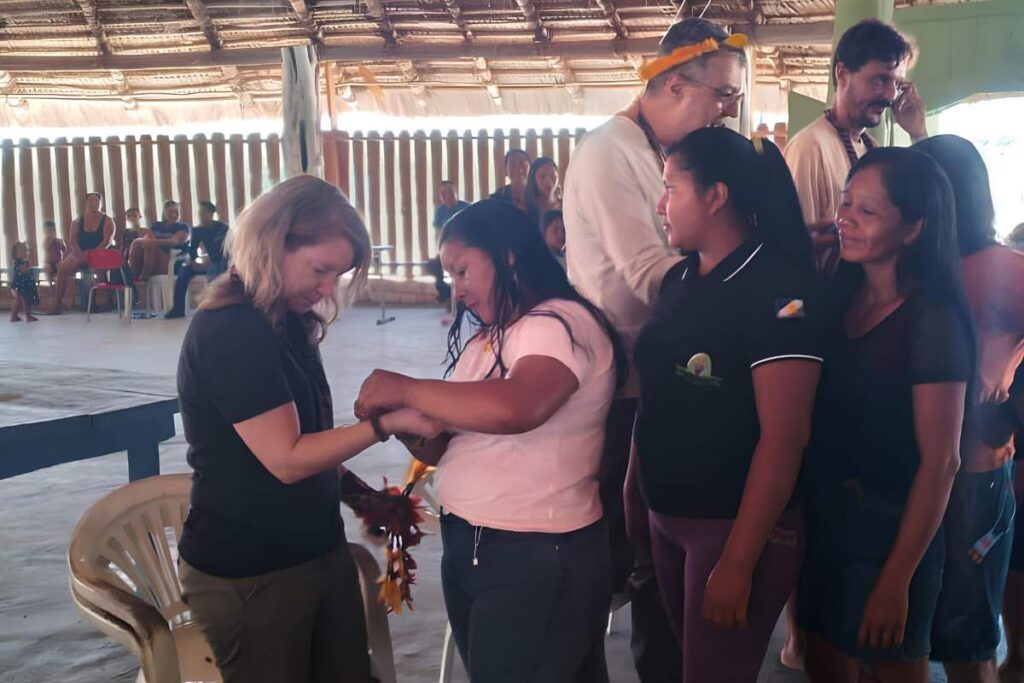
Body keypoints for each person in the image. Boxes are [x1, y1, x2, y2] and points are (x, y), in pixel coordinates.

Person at [176, 175, 440, 683]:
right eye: (319, 270)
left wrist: (367, 502)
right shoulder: (234, 331)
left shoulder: (283, 320)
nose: (325, 289)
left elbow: (314, 443)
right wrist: (385, 423)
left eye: (335, 276)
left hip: (314, 551)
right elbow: (288, 458)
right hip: (251, 570)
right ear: (273, 243)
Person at [353, 199, 627, 683]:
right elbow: (442, 447)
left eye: (463, 270)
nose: (457, 290)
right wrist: (401, 420)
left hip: (534, 555)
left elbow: (517, 407)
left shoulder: (557, 323)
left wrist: (408, 388)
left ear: (508, 256)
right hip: (480, 546)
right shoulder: (497, 335)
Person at [563, 16, 746, 683]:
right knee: (635, 560)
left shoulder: (663, 154)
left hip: (663, 372)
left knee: (655, 553)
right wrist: (744, 288)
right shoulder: (612, 150)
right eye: (721, 94)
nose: (729, 111)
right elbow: (648, 274)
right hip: (623, 384)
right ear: (672, 84)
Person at [632, 127, 820, 682]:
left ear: (716, 196)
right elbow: (659, 392)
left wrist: (739, 561)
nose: (660, 205)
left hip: (731, 526)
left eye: (671, 189)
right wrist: (633, 486)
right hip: (667, 515)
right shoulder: (683, 279)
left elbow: (786, 436)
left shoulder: (778, 293)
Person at [798, 148, 974, 683]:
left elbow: (941, 464)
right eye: (846, 203)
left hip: (893, 530)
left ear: (914, 228)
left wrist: (897, 578)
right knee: (822, 661)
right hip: (827, 519)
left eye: (868, 212)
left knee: (892, 667)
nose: (845, 218)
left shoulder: (932, 321)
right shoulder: (841, 297)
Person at [914, 135, 1024, 683]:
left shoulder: (1004, 265)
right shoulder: (907, 262)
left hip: (973, 476)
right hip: (902, 472)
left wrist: (1009, 359)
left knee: (968, 637)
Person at [785, 19, 927, 278]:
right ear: (842, 74)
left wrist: (918, 132)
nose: (889, 95)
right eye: (880, 80)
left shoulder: (872, 149)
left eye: (897, 84)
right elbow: (794, 250)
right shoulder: (810, 147)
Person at [48, 191, 115, 315]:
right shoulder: (77, 221)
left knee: (98, 269)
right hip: (80, 252)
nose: (94, 203)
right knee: (63, 267)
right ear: (86, 203)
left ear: (100, 203)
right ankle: (57, 304)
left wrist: (92, 255)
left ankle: (106, 302)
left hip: (100, 252)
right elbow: (72, 241)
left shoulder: (107, 220)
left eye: (97, 200)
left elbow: (107, 241)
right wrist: (80, 255)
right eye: (91, 200)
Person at [165, 200, 229, 319]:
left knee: (216, 269)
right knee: (184, 271)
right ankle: (178, 308)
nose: (201, 215)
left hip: (220, 262)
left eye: (204, 212)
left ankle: (216, 309)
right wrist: (195, 261)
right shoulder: (198, 230)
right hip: (205, 263)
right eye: (199, 212)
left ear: (211, 214)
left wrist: (210, 260)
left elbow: (227, 249)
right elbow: (193, 248)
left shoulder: (223, 228)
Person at [425, 180, 470, 306]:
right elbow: (439, 233)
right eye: (442, 194)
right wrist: (440, 250)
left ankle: (460, 298)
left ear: (456, 192)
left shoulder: (466, 208)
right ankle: (446, 295)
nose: (447, 196)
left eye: (449, 192)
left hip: (464, 248)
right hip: (447, 250)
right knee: (432, 265)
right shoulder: (440, 211)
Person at [129, 199, 189, 282]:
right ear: (164, 213)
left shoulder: (183, 227)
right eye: (170, 212)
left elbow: (173, 242)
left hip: (171, 258)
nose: (173, 215)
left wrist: (152, 241)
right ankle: (131, 277)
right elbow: (148, 238)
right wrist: (148, 241)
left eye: (176, 212)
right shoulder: (156, 225)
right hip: (151, 257)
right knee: (137, 243)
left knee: (149, 245)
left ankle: (143, 279)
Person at [524, 157, 562, 229]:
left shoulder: (565, 204)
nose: (548, 181)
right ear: (533, 178)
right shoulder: (525, 206)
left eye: (552, 175)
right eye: (542, 176)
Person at [9, 241, 39, 323]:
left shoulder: (21, 261)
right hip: (19, 286)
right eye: (23, 251)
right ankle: (27, 316)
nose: (26, 252)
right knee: (25, 301)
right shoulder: (19, 262)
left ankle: (14, 316)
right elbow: (24, 271)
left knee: (19, 301)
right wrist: (28, 267)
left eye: (27, 250)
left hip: (21, 285)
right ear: (16, 254)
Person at [41, 220, 66, 285]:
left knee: (61, 266)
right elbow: (45, 247)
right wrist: (51, 240)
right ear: (44, 233)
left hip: (57, 261)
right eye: (47, 232)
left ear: (54, 231)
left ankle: (59, 281)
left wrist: (63, 259)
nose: (49, 234)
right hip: (48, 262)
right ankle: (50, 284)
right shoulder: (45, 241)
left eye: (50, 231)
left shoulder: (59, 241)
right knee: (47, 268)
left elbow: (64, 250)